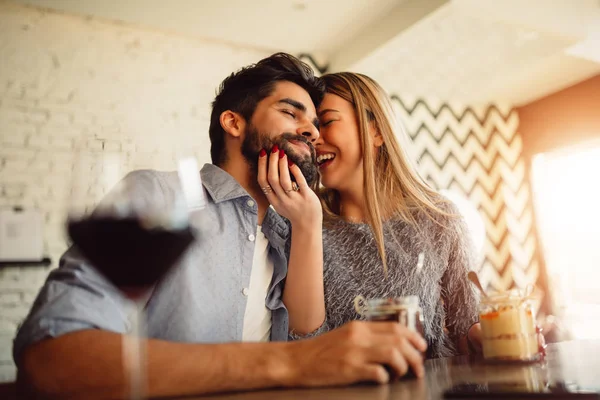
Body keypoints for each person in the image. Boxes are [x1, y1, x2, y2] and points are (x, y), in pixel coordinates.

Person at [13, 54, 427, 399]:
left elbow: (307, 342)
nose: (311, 131)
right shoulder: (158, 196)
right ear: (233, 122)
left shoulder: (292, 231)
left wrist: (307, 225)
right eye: (290, 112)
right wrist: (287, 364)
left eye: (316, 123)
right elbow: (51, 359)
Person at [314, 72, 482, 358]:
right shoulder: (305, 224)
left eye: (327, 121)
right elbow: (302, 343)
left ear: (377, 131)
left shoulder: (440, 219)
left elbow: (467, 330)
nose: (314, 138)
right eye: (310, 128)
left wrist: (489, 336)